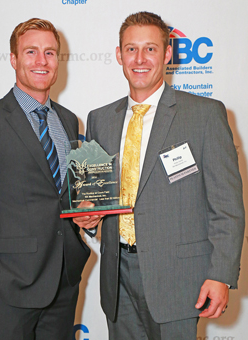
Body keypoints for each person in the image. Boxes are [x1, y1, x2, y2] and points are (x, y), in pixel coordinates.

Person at [74, 11, 245, 340]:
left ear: (167, 53)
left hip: (180, 280)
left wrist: (220, 275)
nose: (140, 59)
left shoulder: (205, 115)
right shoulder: (100, 120)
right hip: (117, 280)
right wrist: (88, 217)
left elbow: (227, 207)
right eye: (131, 49)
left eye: (151, 49)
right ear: (119, 54)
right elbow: (94, 201)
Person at [0, 18, 90, 340]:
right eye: (31, 52)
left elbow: (65, 195)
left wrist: (87, 218)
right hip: (10, 287)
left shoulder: (69, 121)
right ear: (14, 59)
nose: (41, 61)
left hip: (64, 281)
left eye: (50, 53)